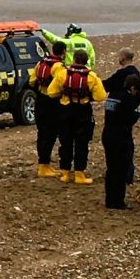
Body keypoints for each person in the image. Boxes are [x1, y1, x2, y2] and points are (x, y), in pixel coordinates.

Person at [55, 45, 105, 185]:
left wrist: (64, 94)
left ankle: (64, 173)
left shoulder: (63, 74)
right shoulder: (91, 76)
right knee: (81, 143)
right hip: (83, 110)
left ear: (74, 59)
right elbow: (100, 96)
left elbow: (52, 91)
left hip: (65, 110)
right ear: (86, 61)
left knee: (65, 142)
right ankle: (79, 174)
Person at [100, 50, 140, 208]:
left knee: (111, 169)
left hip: (108, 132)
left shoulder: (113, 96)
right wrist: (136, 115)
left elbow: (105, 86)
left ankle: (110, 199)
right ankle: (117, 201)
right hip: (120, 135)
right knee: (120, 168)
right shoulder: (126, 97)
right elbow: (127, 118)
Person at [31, 41, 65, 178]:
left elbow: (31, 81)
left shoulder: (40, 63)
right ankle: (44, 165)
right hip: (52, 102)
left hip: (40, 100)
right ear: (63, 52)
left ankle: (43, 164)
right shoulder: (58, 67)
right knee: (50, 134)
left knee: (42, 133)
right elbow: (61, 84)